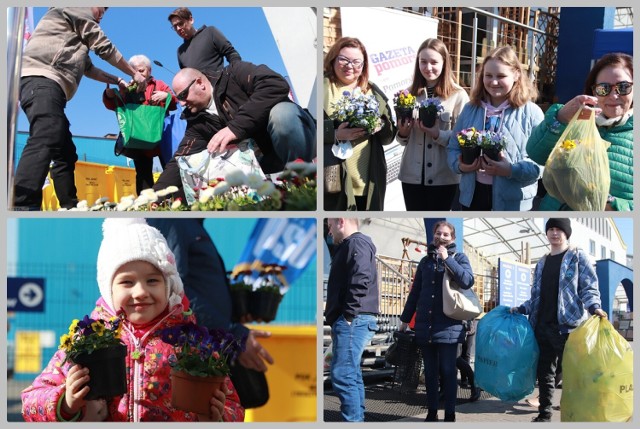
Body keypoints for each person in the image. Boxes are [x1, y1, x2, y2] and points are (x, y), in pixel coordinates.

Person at [21, 219, 244, 422]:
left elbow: (234, 406)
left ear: (169, 286)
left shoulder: (191, 342)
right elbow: (31, 400)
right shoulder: (87, 341)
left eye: (152, 280)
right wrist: (66, 403)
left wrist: (217, 416)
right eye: (127, 282)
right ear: (108, 289)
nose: (140, 292)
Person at [13, 7, 148, 210]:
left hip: (52, 88)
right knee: (47, 133)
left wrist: (118, 79)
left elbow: (89, 68)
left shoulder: (74, 34)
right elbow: (103, 45)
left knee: (65, 152)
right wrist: (132, 73)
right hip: (41, 78)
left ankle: (70, 206)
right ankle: (22, 206)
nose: (103, 12)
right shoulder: (75, 6)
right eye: (102, 7)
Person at [152, 66, 316, 200]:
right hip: (263, 161)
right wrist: (151, 198)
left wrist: (235, 128)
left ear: (200, 83)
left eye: (182, 95)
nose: (181, 103)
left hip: (300, 137)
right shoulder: (196, 122)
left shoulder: (234, 75)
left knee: (282, 114)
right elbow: (180, 160)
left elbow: (275, 84)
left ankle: (304, 184)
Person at [146, 218, 274, 374]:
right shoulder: (174, 220)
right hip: (189, 354)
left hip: (205, 349)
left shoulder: (192, 223)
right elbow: (175, 289)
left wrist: (237, 310)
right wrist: (232, 334)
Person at [510, 218, 607, 422]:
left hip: (567, 327)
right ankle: (544, 414)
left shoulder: (577, 256)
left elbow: (588, 286)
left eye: (559, 229)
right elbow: (537, 295)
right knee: (545, 373)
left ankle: (576, 413)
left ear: (566, 233)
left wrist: (594, 306)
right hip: (542, 326)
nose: (554, 233)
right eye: (551, 229)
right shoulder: (542, 262)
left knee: (573, 373)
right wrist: (522, 308)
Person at [526, 52, 633, 211]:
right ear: (594, 91)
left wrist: (612, 204)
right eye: (603, 88)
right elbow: (536, 153)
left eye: (623, 87)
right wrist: (560, 118)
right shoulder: (577, 119)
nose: (613, 95)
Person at [447, 45, 544, 211]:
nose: (493, 82)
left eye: (501, 76)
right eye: (488, 75)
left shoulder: (532, 113)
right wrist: (462, 165)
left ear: (516, 75)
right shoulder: (470, 109)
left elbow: (541, 163)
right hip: (473, 196)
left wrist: (511, 170)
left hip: (513, 200)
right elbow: (452, 147)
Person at [399, 221, 474, 422]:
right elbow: (415, 292)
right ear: (433, 235)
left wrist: (447, 259)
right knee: (431, 373)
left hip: (449, 325)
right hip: (426, 325)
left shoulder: (459, 257)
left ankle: (450, 414)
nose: (441, 237)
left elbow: (467, 280)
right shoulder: (425, 262)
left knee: (448, 371)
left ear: (453, 238)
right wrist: (405, 319)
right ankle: (432, 412)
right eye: (438, 233)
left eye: (446, 235)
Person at [323, 37, 397, 211]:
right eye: (344, 60)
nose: (350, 66)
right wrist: (334, 134)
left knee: (366, 215)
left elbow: (389, 137)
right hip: (332, 172)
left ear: (363, 65)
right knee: (335, 215)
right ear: (333, 59)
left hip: (368, 177)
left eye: (357, 62)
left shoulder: (373, 91)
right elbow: (308, 128)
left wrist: (381, 125)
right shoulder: (322, 87)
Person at [396, 38, 470, 211]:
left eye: (434, 62)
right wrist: (403, 133)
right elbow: (402, 140)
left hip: (443, 177)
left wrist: (438, 134)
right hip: (411, 177)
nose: (428, 68)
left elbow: (464, 139)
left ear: (444, 63)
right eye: (423, 62)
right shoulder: (408, 95)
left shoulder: (458, 96)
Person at [324, 218, 379, 421]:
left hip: (354, 319)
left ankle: (354, 421)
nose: (329, 232)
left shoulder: (357, 243)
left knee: (343, 374)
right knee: (351, 375)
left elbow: (361, 276)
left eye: (329, 225)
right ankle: (357, 420)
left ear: (341, 221)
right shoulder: (352, 245)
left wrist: (348, 315)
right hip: (353, 318)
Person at [102, 55, 177, 194]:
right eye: (134, 71)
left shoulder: (159, 84)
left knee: (170, 169)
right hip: (138, 139)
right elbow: (115, 106)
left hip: (160, 136)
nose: (139, 74)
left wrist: (166, 96)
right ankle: (146, 206)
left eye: (141, 70)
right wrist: (110, 95)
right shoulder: (128, 86)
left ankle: (174, 199)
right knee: (143, 175)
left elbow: (174, 103)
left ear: (149, 70)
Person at [168, 7, 241, 74]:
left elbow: (232, 54)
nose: (178, 28)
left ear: (191, 20)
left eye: (181, 23)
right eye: (175, 27)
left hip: (220, 86)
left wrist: (235, 75)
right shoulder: (180, 51)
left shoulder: (210, 32)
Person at [456, 319, 481, 402]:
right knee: (455, 358)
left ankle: (472, 383)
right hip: (453, 328)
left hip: (465, 328)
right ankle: (446, 388)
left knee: (460, 357)